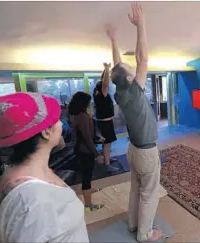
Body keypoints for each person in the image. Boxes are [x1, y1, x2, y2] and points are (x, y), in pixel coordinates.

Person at [0, 92, 89, 242]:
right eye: (57, 119)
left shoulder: (20, 172)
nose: (61, 123)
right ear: (46, 132)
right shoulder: (32, 202)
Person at [106, 3, 163, 242]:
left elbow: (118, 68)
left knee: (135, 188)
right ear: (131, 78)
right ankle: (144, 234)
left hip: (132, 150)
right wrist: (141, 25)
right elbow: (143, 58)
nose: (135, 68)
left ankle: (132, 225)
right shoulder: (134, 90)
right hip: (146, 152)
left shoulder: (120, 90)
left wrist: (114, 41)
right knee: (149, 194)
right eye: (132, 70)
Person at [68, 91, 104, 212]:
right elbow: (87, 138)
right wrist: (97, 154)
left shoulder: (80, 115)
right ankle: (88, 205)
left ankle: (88, 192)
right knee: (86, 178)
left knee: (87, 175)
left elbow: (88, 135)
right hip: (85, 151)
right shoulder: (82, 117)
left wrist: (97, 139)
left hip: (84, 150)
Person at [93, 63, 119, 172]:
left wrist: (105, 70)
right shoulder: (101, 94)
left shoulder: (97, 91)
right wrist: (108, 69)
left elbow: (102, 80)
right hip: (105, 123)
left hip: (105, 122)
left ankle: (106, 158)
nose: (107, 87)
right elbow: (105, 83)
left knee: (107, 143)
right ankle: (107, 164)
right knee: (107, 143)